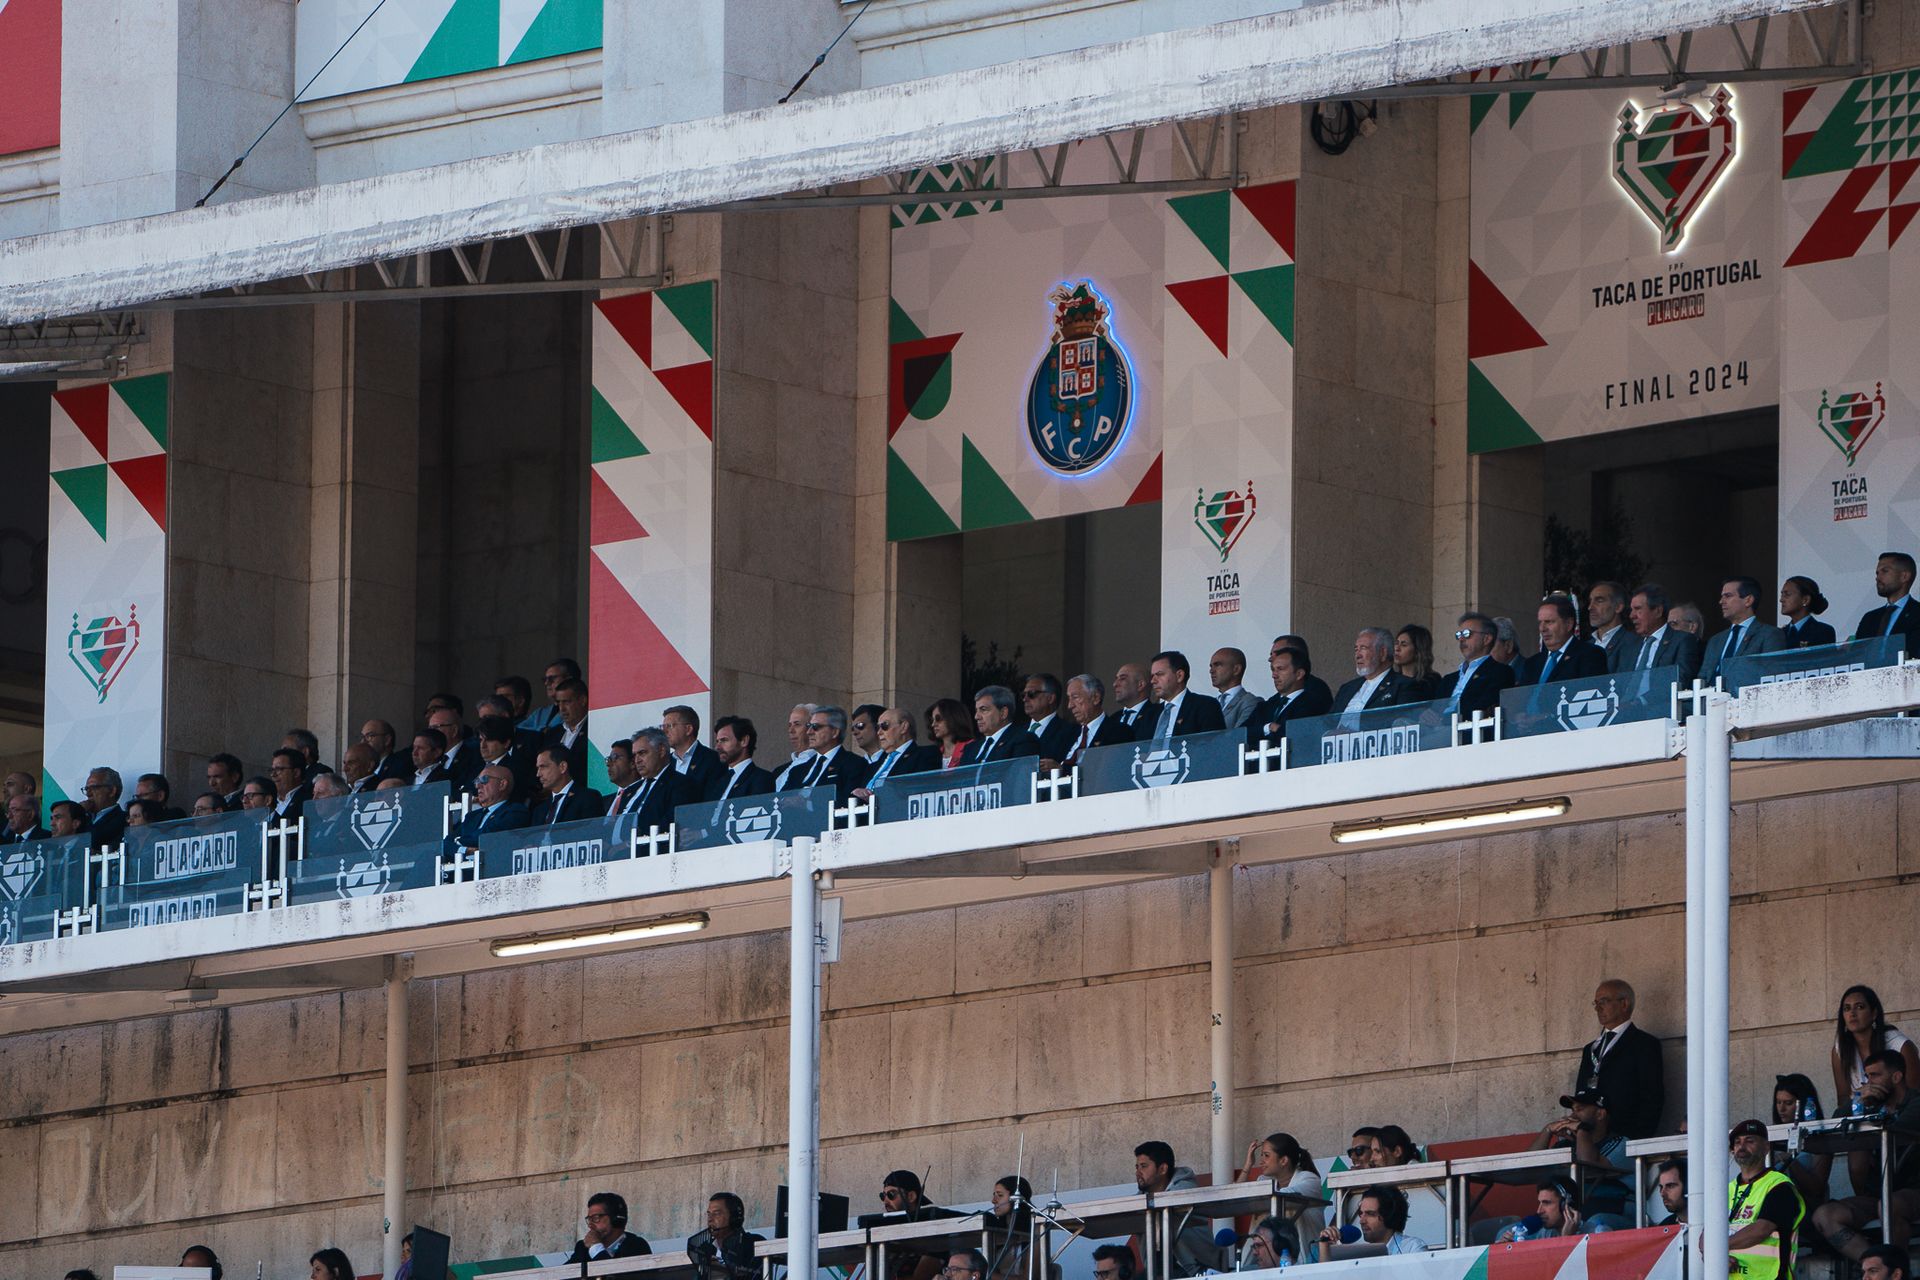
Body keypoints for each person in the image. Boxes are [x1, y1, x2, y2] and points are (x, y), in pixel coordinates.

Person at [1813, 1051, 1920, 1262]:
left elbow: (1896, 1132)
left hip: (1913, 1190)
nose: (1868, 1083)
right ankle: (1874, 1268)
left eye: (1875, 1076)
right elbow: (1835, 1123)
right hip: (1879, 1195)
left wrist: (1867, 1113)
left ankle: (1895, 1270)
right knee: (1824, 1216)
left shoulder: (1915, 1102)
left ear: (1896, 1077)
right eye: (1867, 1076)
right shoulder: (1872, 1104)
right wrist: (1858, 1101)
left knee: (1890, 1205)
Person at [1574, 979, 1664, 1139]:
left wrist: (1637, 1139)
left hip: (1625, 1137)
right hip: (1590, 1138)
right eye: (1595, 1003)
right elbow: (1580, 1095)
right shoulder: (1591, 1049)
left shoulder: (1644, 1043)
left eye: (1604, 1001)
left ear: (1624, 1004)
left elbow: (1652, 1097)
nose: (1598, 1008)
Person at [1530, 1089, 1632, 1223]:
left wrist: (1582, 1130)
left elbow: (1588, 1166)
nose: (1573, 1115)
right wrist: (1548, 1130)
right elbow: (1529, 1164)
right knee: (1509, 1231)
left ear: (1600, 1114)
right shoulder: (1567, 1144)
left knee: (1596, 1222)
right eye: (1573, 1110)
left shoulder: (1621, 1143)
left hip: (1615, 1210)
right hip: (1572, 1213)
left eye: (1580, 1109)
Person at [1729, 1118, 1808, 1280]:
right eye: (1737, 1142)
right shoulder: (1725, 1190)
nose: (1741, 1146)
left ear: (1766, 1147)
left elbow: (1761, 1229)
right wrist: (1712, 1257)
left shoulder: (1779, 1186)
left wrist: (1717, 1250)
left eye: (1749, 1140)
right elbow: (1705, 1233)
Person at [1830, 984, 1920, 1109]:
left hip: (1899, 1119)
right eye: (1846, 1009)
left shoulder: (1900, 1045)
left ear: (1874, 1013)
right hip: (1860, 1121)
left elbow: (1914, 1096)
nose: (1852, 1013)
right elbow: (1843, 1099)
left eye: (1860, 1007)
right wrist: (1859, 1097)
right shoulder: (1840, 1050)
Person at [1134, 1141, 1217, 1276]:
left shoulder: (1185, 1188)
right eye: (1136, 1167)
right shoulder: (1139, 1199)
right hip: (1158, 1272)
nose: (1138, 1172)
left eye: (1143, 1166)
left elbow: (1169, 1203)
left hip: (1196, 1271)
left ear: (1162, 1169)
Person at [1241, 1132, 1324, 1249]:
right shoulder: (1264, 1181)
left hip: (1307, 1260)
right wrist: (1248, 1165)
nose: (1261, 1161)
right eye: (1261, 1155)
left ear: (1284, 1160)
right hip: (1274, 1260)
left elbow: (1285, 1196)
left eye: (1266, 1155)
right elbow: (1236, 1196)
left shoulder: (1309, 1179)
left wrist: (1258, 1197)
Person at [1247, 640, 1332, 750]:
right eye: (1273, 669)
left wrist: (1264, 733)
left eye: (1280, 669)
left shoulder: (1313, 704)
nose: (1274, 675)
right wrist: (1268, 728)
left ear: (1299, 674)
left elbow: (1296, 737)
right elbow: (1239, 734)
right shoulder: (1264, 706)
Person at [1701, 576, 1787, 684]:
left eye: (1728, 596)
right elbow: (1703, 677)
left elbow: (1772, 676)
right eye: (1722, 596)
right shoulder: (1715, 640)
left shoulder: (1770, 634)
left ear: (1748, 600)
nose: (1721, 601)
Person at [1618, 584, 1703, 686]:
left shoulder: (1682, 641)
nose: (1632, 616)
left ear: (1658, 611)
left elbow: (1681, 680)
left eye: (1638, 609)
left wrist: (1642, 700)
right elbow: (1619, 684)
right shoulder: (1629, 647)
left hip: (1659, 701)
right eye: (1632, 610)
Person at [784, 706, 872, 799]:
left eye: (815, 727)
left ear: (834, 732)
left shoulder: (854, 764)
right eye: (809, 726)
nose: (809, 732)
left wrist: (808, 804)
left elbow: (849, 800)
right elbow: (780, 800)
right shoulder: (797, 770)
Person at [1770, 1073, 1831, 1206]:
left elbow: (1816, 1189)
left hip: (1806, 1208)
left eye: (1788, 1103)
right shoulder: (1773, 1137)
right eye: (1778, 1102)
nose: (1781, 1109)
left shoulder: (1821, 1139)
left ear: (1804, 1104)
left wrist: (1789, 1160)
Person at [1438, 613, 1516, 717]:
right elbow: (1433, 710)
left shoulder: (1500, 672)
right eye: (1459, 635)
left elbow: (1481, 709)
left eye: (1467, 634)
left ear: (1486, 639)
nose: (1461, 639)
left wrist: (1444, 719)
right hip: (1438, 731)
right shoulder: (1448, 680)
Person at [1052, 674, 1131, 772]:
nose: (1070, 705)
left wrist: (1062, 770)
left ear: (1095, 698)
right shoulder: (1065, 734)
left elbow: (1103, 771)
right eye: (1069, 698)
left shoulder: (1118, 732)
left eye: (1075, 697)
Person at [1138, 651, 1226, 739]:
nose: (1153, 681)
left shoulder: (1205, 706)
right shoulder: (1149, 715)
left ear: (1179, 676)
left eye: (1160, 674)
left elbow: (1212, 746)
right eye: (1152, 676)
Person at [1317, 1186, 1427, 1255]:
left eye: (1370, 1214)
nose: (1361, 1221)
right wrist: (1325, 1246)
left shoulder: (1412, 1248)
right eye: (1361, 1213)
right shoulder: (1356, 1252)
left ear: (1389, 1216)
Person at [1522, 596, 1607, 685]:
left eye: (1549, 622)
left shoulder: (1591, 655)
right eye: (1540, 622)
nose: (1542, 629)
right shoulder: (1531, 664)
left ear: (1568, 624)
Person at [445, 765, 530, 855]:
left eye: (484, 780)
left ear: (502, 784)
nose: (478, 786)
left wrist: (458, 840)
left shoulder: (515, 812)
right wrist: (465, 850)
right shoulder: (472, 816)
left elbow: (487, 838)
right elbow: (445, 844)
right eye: (477, 781)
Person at [855, 707, 941, 795]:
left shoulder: (926, 754)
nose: (879, 732)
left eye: (885, 726)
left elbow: (920, 789)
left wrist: (876, 796)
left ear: (904, 727)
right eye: (878, 728)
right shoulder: (874, 764)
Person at [1331, 628, 1413, 718]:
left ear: (1382, 653)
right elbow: (1326, 723)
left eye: (1363, 648)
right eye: (1356, 649)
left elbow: (1402, 724)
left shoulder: (1404, 686)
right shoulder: (1346, 689)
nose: (1358, 655)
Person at [687, 1191, 762, 1280]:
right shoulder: (704, 1249)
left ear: (734, 1218)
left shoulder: (752, 1243)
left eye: (717, 1213)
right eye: (709, 1214)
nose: (710, 1219)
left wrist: (725, 1270)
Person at [958, 688, 1041, 765]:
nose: (977, 717)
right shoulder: (970, 748)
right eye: (976, 711)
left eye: (983, 709)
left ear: (1003, 713)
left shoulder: (1023, 740)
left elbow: (1019, 776)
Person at [624, 728, 685, 833]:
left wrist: (628, 844)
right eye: (635, 755)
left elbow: (670, 825)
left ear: (661, 751)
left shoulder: (681, 784)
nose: (637, 760)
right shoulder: (630, 790)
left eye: (642, 753)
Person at [1857, 551, 1920, 649]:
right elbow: (1857, 655)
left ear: (1904, 576)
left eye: (1885, 571)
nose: (1877, 578)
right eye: (1877, 573)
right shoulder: (1869, 619)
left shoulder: (1917, 613)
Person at [1494, 1178, 1591, 1240]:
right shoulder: (1544, 1234)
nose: (1539, 1211)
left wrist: (1567, 1239)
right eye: (1540, 1203)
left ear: (1566, 1205)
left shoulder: (1595, 1234)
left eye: (1547, 1203)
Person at [707, 716, 776, 803]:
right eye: (717, 741)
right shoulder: (717, 782)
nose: (717, 747)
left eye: (724, 740)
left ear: (744, 741)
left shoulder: (761, 778)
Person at [568, 1191, 651, 1262]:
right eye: (589, 1219)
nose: (590, 1225)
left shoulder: (636, 1245)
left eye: (596, 1218)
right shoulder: (583, 1248)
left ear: (616, 1219)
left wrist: (596, 1248)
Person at [664, 705, 724, 798]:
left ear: (688, 729)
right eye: (663, 727)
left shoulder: (712, 759)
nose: (665, 731)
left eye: (670, 726)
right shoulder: (665, 763)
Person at [533, 746, 602, 824]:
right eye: (538, 768)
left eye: (543, 767)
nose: (538, 774)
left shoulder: (588, 798)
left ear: (563, 767)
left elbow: (592, 833)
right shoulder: (539, 811)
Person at [1020, 674, 1077, 763]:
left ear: (1050, 698)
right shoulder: (1017, 732)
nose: (1025, 699)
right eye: (1023, 695)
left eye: (1031, 694)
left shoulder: (1070, 732)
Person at [545, 677, 591, 777]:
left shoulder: (594, 729)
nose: (562, 708)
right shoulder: (551, 734)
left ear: (583, 700)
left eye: (567, 702)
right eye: (559, 703)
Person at [1779, 576, 1838, 648]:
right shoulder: (1780, 633)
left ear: (1805, 600)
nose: (1781, 600)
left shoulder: (1823, 631)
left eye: (1787, 594)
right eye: (1782, 594)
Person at [1209, 648, 1260, 730]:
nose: (1211, 670)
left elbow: (1238, 736)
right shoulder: (1208, 704)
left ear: (1236, 669)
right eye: (1211, 666)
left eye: (1218, 665)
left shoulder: (1250, 702)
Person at [773, 704, 819, 789]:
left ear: (812, 728)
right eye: (790, 725)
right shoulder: (778, 771)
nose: (790, 730)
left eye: (797, 724)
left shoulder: (821, 765)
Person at [81, 766, 126, 850]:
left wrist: (80, 813)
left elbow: (92, 841)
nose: (88, 794)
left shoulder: (125, 819)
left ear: (112, 791)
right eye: (87, 789)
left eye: (93, 788)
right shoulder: (84, 818)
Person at [1588, 582, 1633, 665]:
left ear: (1618, 607)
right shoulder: (1586, 646)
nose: (1590, 607)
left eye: (1599, 601)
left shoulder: (1632, 643)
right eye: (1590, 601)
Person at [1392, 624, 1440, 701]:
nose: (1397, 648)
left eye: (1404, 645)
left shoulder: (1431, 681)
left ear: (1418, 650)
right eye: (1396, 643)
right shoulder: (1392, 681)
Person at [926, 698, 975, 770]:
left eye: (938, 718)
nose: (933, 724)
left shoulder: (972, 748)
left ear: (953, 717)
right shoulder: (934, 753)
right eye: (932, 720)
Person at [1111, 662, 1157, 734]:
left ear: (1140, 685)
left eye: (1122, 678)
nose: (1115, 684)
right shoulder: (1112, 719)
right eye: (1116, 679)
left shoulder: (1157, 715)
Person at [1654, 1160, 1686, 1227]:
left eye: (1670, 1186)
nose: (1662, 1194)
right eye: (1661, 1187)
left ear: (1688, 1187)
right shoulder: (1664, 1227)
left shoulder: (1711, 1222)